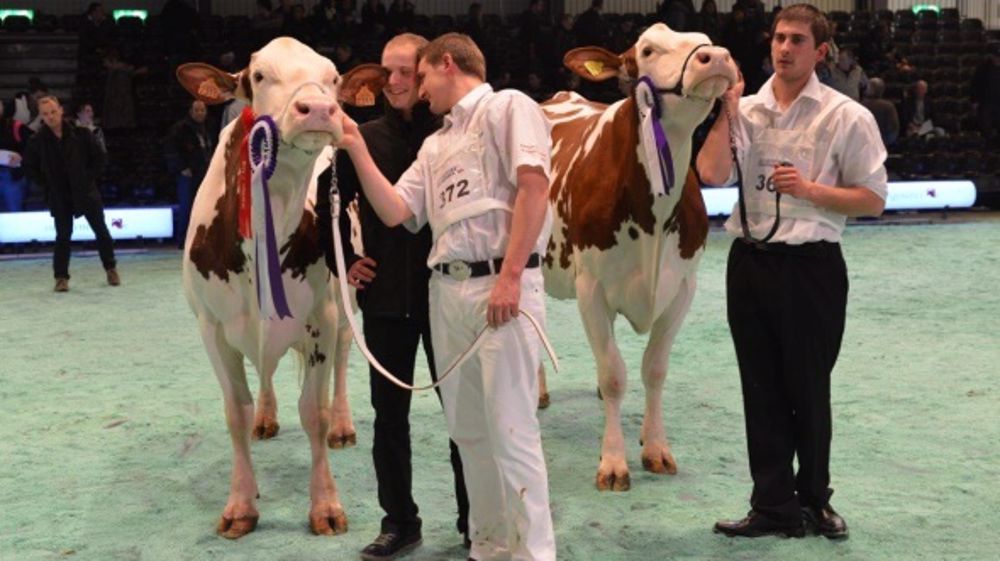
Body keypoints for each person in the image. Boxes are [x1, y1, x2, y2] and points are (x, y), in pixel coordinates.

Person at [335, 32, 556, 561]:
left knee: (511, 428)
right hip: (446, 291)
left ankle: (534, 553)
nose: (414, 88)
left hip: (500, 287)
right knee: (470, 432)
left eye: (421, 75)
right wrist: (355, 145)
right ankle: (489, 545)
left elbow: (534, 186)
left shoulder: (508, 107)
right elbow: (395, 212)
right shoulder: (436, 144)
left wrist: (509, 277)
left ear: (446, 63)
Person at [697, 3, 886, 540]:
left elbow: (872, 199)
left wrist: (810, 191)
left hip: (813, 270)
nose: (784, 48)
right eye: (779, 38)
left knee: (808, 388)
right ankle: (772, 504)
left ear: (820, 52)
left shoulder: (848, 117)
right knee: (760, 389)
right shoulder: (747, 110)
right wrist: (726, 110)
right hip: (750, 264)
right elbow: (710, 173)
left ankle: (815, 499)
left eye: (798, 40)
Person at [315, 33, 470, 561]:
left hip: (449, 296)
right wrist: (343, 262)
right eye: (388, 72)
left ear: (426, 73)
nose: (397, 82)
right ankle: (399, 522)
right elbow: (327, 205)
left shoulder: (451, 134)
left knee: (462, 414)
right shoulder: (362, 137)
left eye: (407, 72)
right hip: (384, 299)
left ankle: (475, 520)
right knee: (388, 417)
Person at [23, 96, 120, 292]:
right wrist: (47, 184)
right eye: (45, 114)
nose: (50, 116)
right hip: (59, 195)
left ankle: (111, 268)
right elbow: (29, 168)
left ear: (60, 110)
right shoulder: (37, 141)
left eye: (53, 112)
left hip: (86, 191)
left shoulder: (82, 134)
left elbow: (100, 159)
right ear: (41, 116)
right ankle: (61, 277)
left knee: (101, 231)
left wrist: (87, 178)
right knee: (63, 236)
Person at [165, 100, 214, 248]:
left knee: (206, 208)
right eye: (197, 110)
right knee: (186, 208)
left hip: (204, 173)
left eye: (202, 110)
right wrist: (182, 168)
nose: (200, 113)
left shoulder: (208, 127)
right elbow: (171, 150)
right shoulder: (180, 129)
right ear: (191, 112)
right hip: (187, 175)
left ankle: (204, 240)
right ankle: (183, 241)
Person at [0, 98, 33, 212]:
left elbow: (31, 149)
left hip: (10, 173)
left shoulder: (15, 126)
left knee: (14, 208)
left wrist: (21, 158)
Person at [862, 77, 900, 148]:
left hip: (865, 143)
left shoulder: (861, 106)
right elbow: (894, 129)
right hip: (883, 144)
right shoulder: (889, 106)